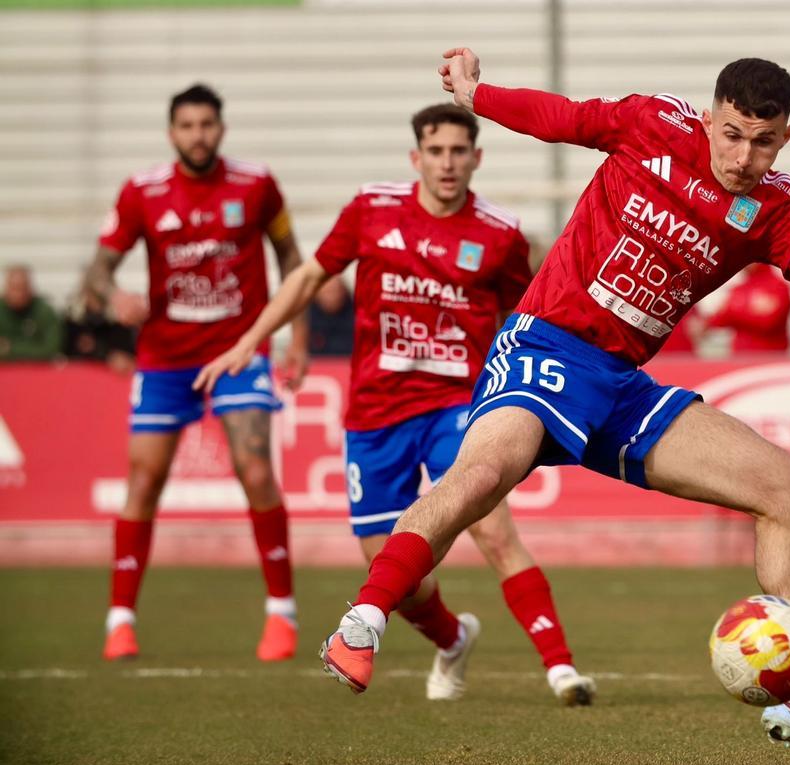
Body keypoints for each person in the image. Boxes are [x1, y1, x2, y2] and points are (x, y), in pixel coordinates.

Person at [317, 50, 790, 765]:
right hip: (548, 344)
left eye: (763, 141)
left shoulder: (777, 208)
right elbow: (563, 119)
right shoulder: (652, 125)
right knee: (482, 475)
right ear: (709, 116)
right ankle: (363, 621)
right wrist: (480, 95)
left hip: (621, 383)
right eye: (732, 134)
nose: (743, 155)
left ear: (786, 137)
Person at [196, 104, 596, 705]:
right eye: (436, 152)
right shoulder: (371, 209)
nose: (448, 163)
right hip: (376, 412)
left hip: (458, 405)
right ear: (417, 158)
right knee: (389, 563)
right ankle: (453, 637)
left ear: (476, 158)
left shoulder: (501, 233)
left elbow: (529, 323)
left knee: (492, 527)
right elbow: (308, 279)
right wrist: (251, 340)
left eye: (459, 152)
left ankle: (562, 669)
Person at [86, 84, 308, 662]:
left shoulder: (256, 185)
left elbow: (293, 262)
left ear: (221, 129)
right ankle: (120, 620)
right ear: (171, 133)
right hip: (165, 359)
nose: (198, 135)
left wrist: (297, 340)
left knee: (257, 469)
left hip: (241, 352)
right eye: (187, 126)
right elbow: (99, 269)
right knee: (144, 482)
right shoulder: (143, 192)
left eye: (207, 124)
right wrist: (114, 298)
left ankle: (281, 614)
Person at [703, 262, 790, 352]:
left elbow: (769, 321)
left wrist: (734, 310)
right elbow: (717, 320)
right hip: (741, 358)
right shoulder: (738, 289)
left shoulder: (778, 287)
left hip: (770, 359)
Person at [63, 274, 137, 373]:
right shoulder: (74, 323)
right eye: (92, 293)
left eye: (99, 295)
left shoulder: (120, 325)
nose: (96, 299)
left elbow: (126, 357)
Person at [0, 264, 63, 361]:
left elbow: (52, 349)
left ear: (30, 288)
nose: (18, 294)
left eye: (21, 288)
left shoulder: (44, 311)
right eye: (14, 288)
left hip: (38, 372)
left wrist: (11, 349)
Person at [307, 276, 355, 356]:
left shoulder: (356, 316)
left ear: (343, 291)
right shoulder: (305, 320)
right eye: (328, 292)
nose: (331, 297)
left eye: (335, 291)